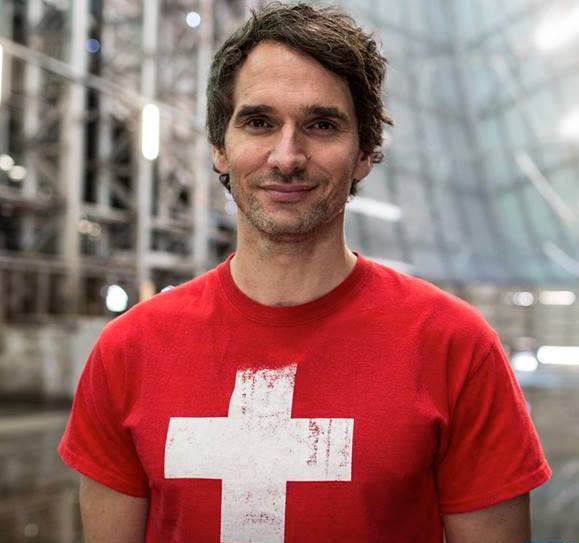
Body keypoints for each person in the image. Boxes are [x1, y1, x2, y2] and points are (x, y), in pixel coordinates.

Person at [59, 3, 551, 542]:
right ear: (220, 147)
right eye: (259, 122)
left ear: (364, 152)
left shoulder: (455, 348)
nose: (287, 156)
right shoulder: (129, 352)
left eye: (321, 125)